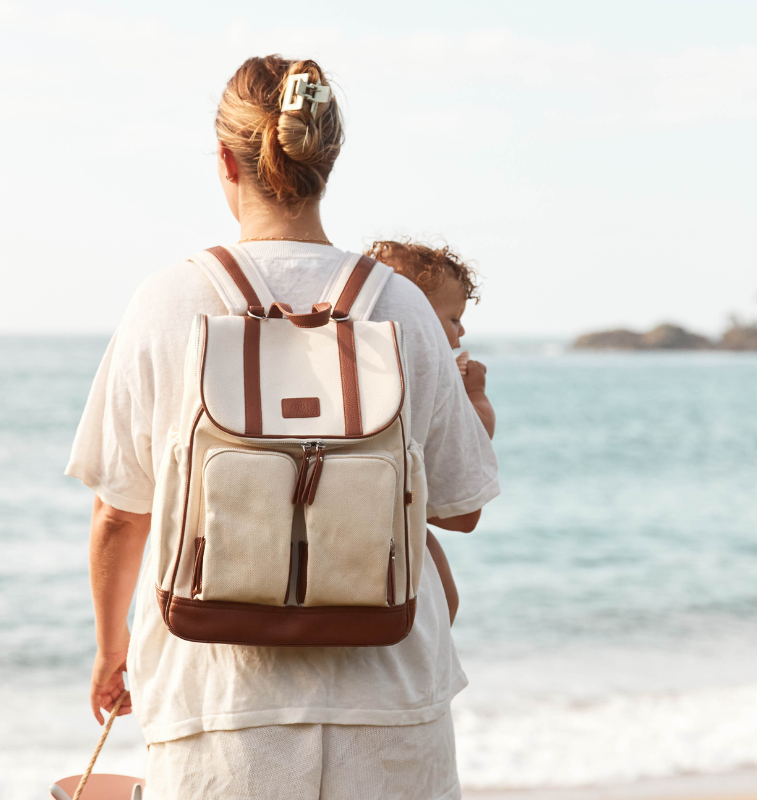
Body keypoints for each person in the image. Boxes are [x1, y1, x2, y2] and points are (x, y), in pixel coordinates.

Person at [65, 55, 499, 800]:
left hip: (218, 706)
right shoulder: (403, 307)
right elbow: (458, 509)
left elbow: (118, 511)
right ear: (328, 159)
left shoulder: (168, 300)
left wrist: (113, 648)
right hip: (390, 700)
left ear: (228, 159)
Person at [367, 239, 497, 625]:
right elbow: (476, 437)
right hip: (404, 516)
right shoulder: (440, 375)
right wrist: (476, 393)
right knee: (446, 600)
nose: (461, 331)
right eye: (453, 319)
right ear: (418, 313)